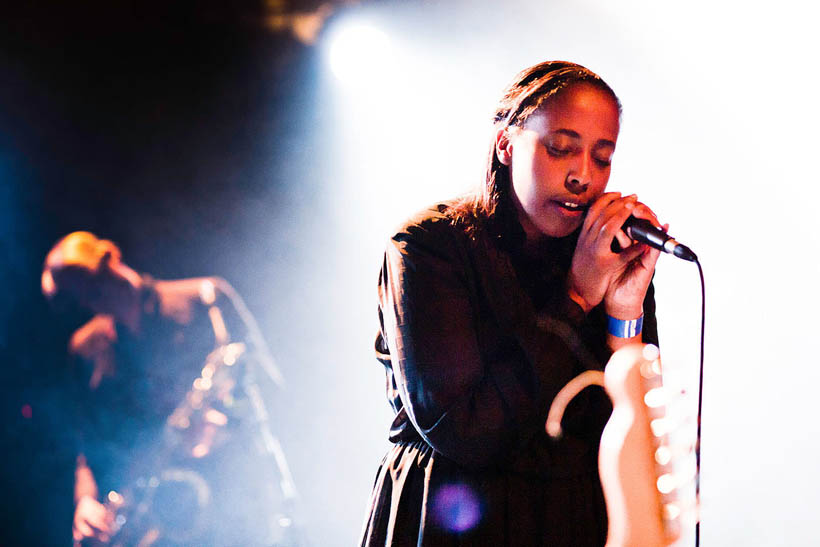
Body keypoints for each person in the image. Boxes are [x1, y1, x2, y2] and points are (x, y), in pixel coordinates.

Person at [359, 61, 663, 546]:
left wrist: (625, 314)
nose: (583, 176)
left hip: (572, 520)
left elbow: (630, 440)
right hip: (457, 516)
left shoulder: (601, 255)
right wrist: (577, 296)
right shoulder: (431, 248)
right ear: (506, 144)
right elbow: (467, 431)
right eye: (561, 149)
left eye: (602, 157)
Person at [42, 231, 297, 546]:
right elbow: (88, 441)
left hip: (232, 496)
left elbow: (267, 385)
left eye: (94, 286)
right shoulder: (85, 347)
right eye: (80, 299)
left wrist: (223, 416)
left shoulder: (205, 297)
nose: (91, 300)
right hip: (150, 513)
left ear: (109, 261)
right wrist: (86, 499)